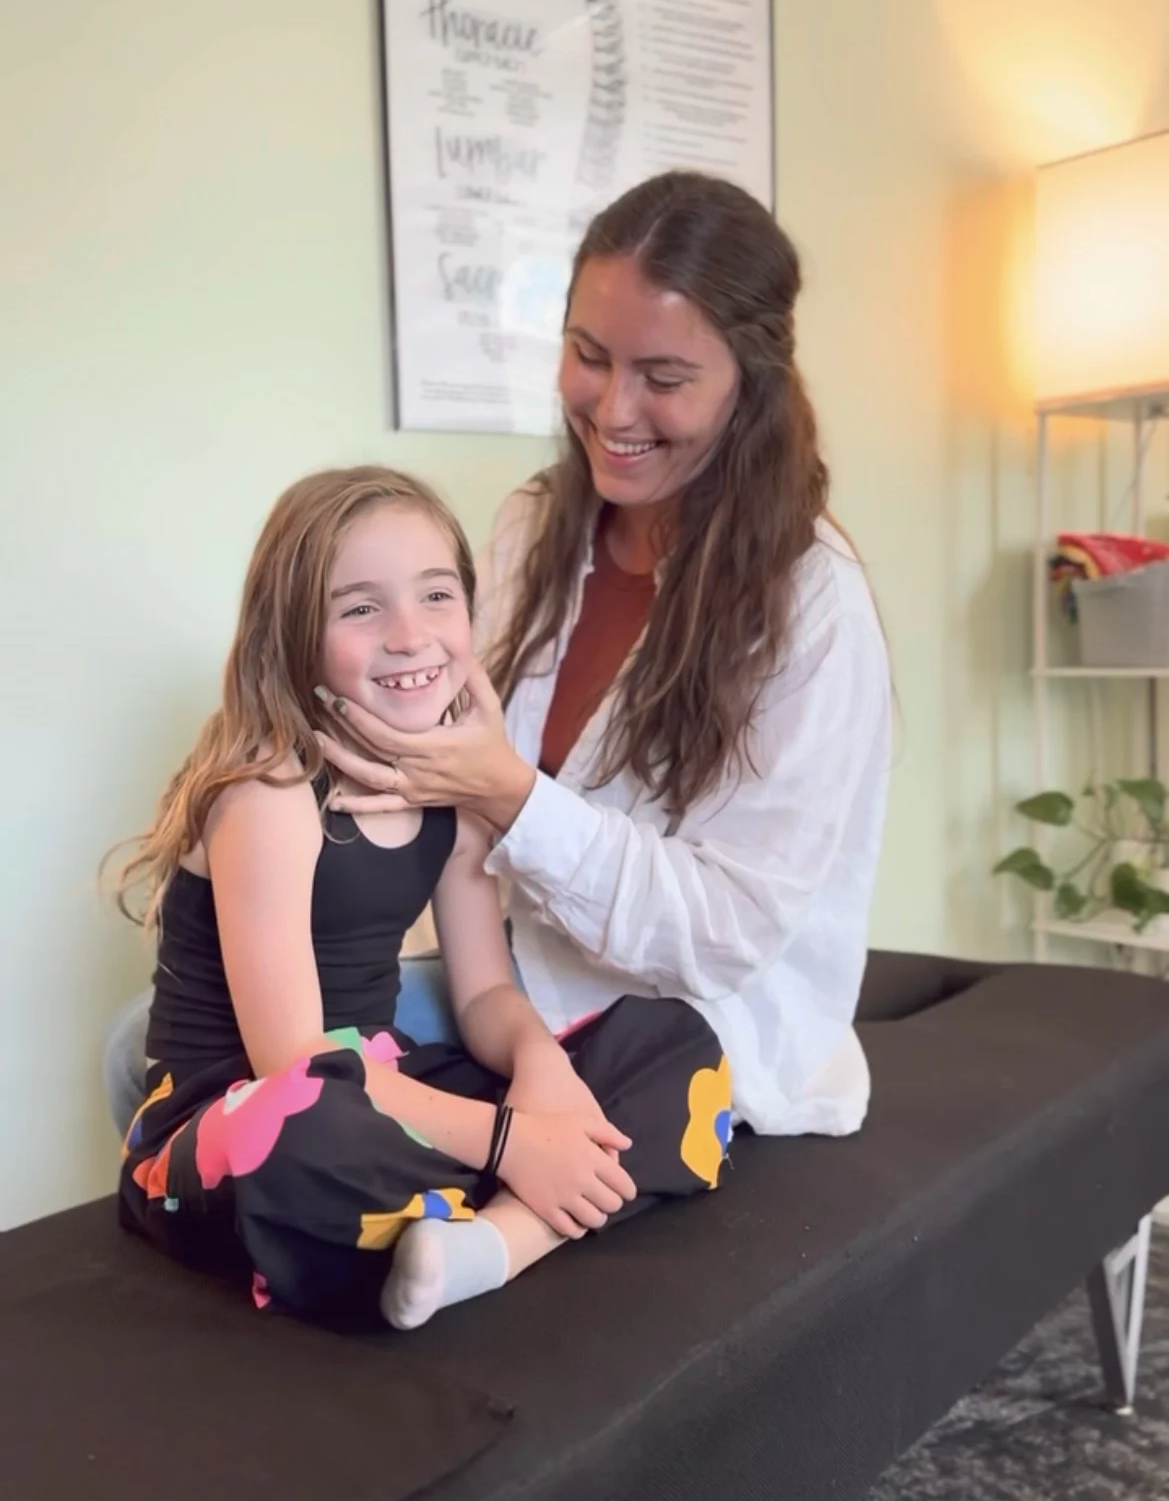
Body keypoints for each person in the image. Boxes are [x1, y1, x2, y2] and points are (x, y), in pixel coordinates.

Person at [107, 167, 890, 1158]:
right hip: (519, 973)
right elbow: (420, 738)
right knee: (143, 1047)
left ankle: (472, 1240)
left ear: (749, 383)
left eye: (663, 377)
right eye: (587, 355)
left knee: (264, 1085)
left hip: (676, 1006)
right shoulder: (534, 527)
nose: (611, 408)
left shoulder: (811, 609)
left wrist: (515, 799)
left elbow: (723, 931)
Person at [110, 466, 730, 1331]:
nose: (411, 635)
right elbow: (294, 1060)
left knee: (678, 1046)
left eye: (437, 596)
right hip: (246, 1118)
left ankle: (490, 1244)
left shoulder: (449, 789)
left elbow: (483, 993)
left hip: (382, 1083)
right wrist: (515, 1142)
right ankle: (500, 1197)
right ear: (292, 635)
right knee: (304, 1130)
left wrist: (540, 1074)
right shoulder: (269, 792)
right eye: (360, 608)